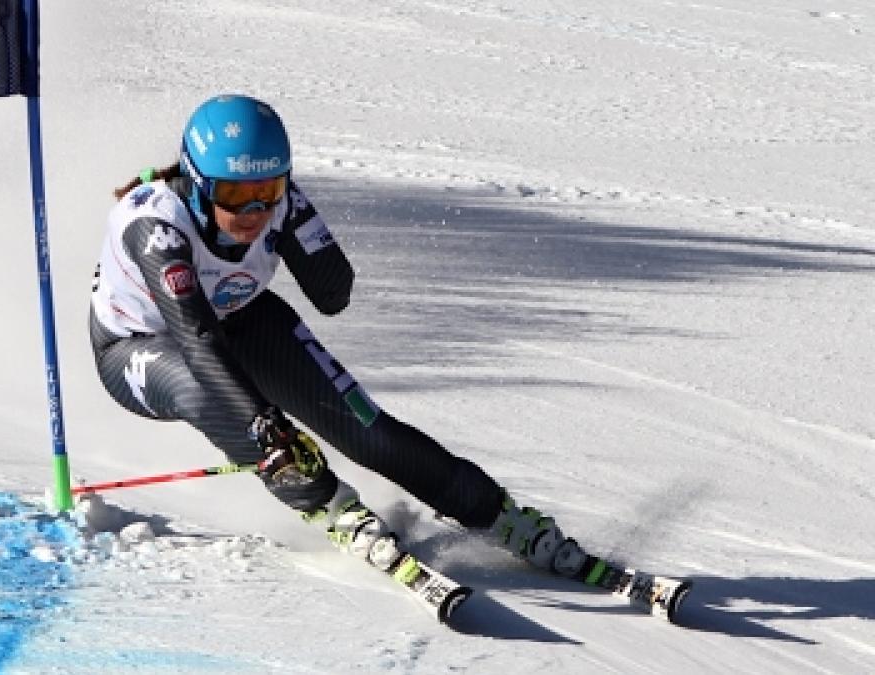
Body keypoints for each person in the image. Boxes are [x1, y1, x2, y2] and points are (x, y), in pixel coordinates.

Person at [88, 94, 593, 580]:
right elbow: (196, 339)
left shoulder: (278, 207)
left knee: (364, 429)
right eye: (237, 196)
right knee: (210, 396)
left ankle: (496, 514)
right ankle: (329, 506)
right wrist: (262, 423)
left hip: (239, 318)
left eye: (271, 189)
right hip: (140, 345)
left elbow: (334, 294)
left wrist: (297, 220)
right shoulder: (156, 226)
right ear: (198, 185)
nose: (255, 211)